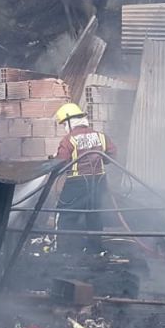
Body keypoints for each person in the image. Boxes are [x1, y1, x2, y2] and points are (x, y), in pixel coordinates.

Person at [53, 103, 116, 253]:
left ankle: (64, 251)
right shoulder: (101, 136)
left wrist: (54, 159)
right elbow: (112, 156)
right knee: (94, 215)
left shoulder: (69, 139)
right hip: (99, 182)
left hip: (77, 183)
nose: (64, 128)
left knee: (66, 215)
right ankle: (95, 249)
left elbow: (62, 161)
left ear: (70, 121)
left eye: (64, 124)